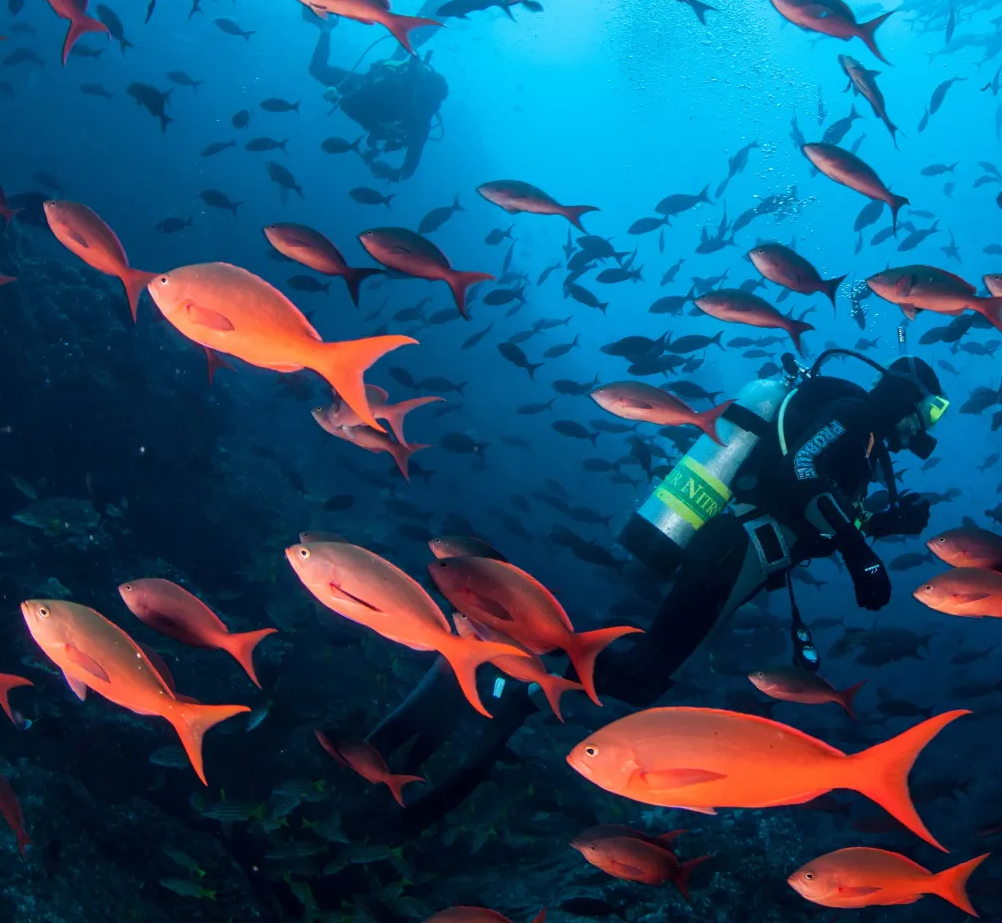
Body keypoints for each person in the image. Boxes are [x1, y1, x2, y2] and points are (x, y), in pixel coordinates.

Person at [367, 352, 949, 833]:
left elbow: (815, 514)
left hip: (745, 556)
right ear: (905, 397)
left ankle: (511, 676)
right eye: (931, 411)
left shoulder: (862, 443)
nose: (925, 427)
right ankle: (504, 676)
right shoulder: (852, 413)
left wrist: (881, 527)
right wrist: (861, 556)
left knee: (648, 671)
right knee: (646, 675)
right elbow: (801, 472)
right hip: (734, 549)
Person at [306, 16, 448, 181]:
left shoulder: (422, 121)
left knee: (318, 70)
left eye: (428, 104)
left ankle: (399, 51)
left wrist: (396, 174)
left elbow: (411, 164)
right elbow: (354, 101)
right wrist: (339, 98)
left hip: (377, 114)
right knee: (317, 69)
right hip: (365, 87)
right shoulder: (397, 90)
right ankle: (326, 28)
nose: (423, 107)